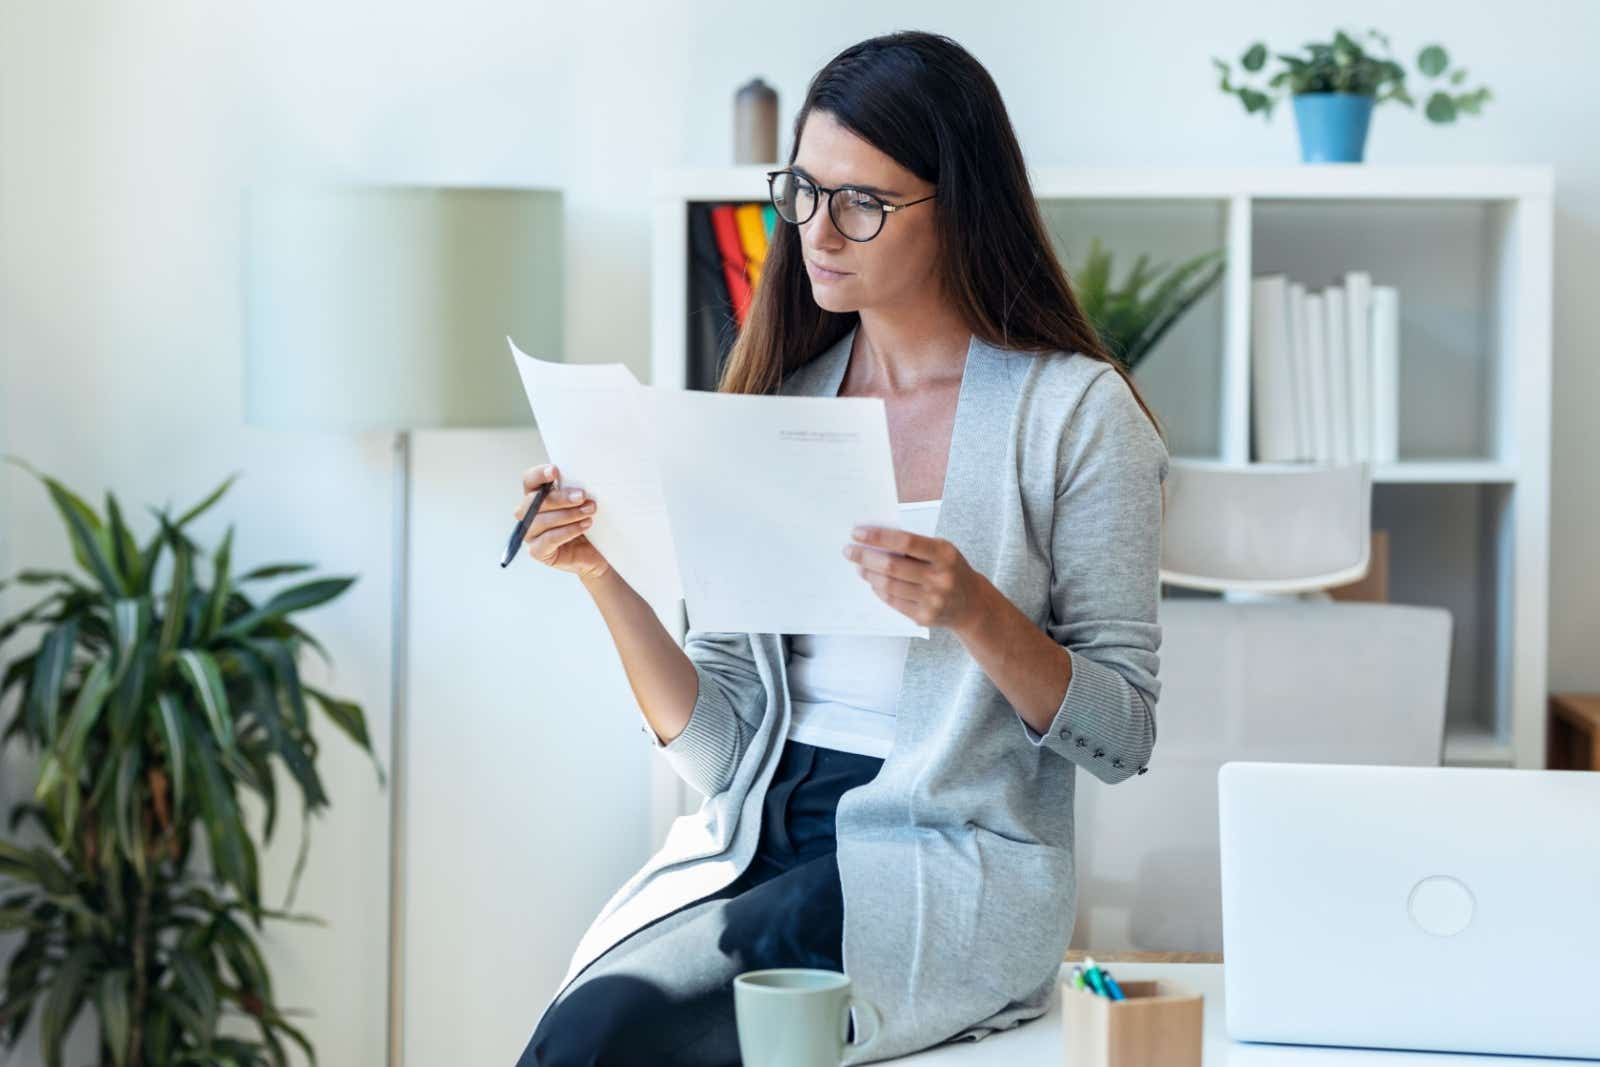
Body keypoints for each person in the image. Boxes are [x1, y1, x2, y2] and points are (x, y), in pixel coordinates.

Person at [511, 29, 1168, 1067]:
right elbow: (720, 754)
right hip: (757, 833)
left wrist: (974, 612)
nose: (818, 230)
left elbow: (1123, 734)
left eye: (862, 201)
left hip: (938, 860)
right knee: (583, 1018)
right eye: (803, 191)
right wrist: (604, 577)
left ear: (962, 207)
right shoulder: (778, 407)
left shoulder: (1074, 415)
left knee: (606, 1034)